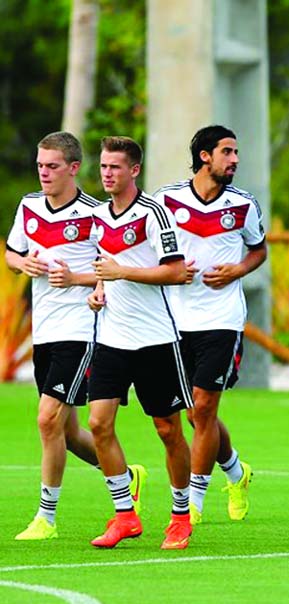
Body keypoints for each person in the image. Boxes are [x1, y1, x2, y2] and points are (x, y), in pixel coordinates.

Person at [6, 132, 146, 540]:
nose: (44, 173)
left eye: (51, 166)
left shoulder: (95, 214)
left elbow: (112, 266)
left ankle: (45, 518)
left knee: (46, 419)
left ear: (72, 168)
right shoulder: (29, 206)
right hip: (45, 330)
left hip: (82, 329)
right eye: (39, 166)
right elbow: (12, 253)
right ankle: (123, 474)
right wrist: (24, 263)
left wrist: (77, 279)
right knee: (64, 433)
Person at [85, 136, 193, 549]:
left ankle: (180, 516)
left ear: (133, 170)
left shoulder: (155, 215)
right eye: (103, 166)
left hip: (155, 339)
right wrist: (98, 287)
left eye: (115, 167)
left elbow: (176, 271)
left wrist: (121, 273)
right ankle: (125, 515)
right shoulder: (97, 216)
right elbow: (104, 268)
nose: (107, 174)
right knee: (98, 424)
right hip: (112, 336)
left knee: (167, 430)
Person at [155, 125, 265, 524]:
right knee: (190, 413)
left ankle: (194, 503)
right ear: (205, 156)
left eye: (236, 152)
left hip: (221, 319)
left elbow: (258, 250)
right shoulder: (165, 201)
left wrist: (236, 270)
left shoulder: (243, 204)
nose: (235, 159)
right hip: (172, 319)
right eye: (227, 152)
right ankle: (236, 470)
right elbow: (146, 247)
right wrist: (169, 271)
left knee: (203, 408)